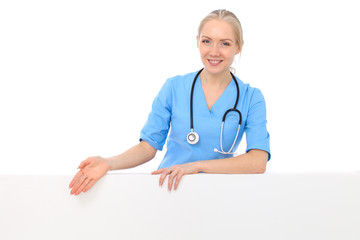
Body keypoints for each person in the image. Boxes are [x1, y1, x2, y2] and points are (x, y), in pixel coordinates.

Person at [69, 9, 271, 195]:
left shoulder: (251, 97)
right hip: (169, 193)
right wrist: (108, 163)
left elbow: (258, 161)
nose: (214, 51)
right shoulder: (174, 88)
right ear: (197, 41)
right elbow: (148, 148)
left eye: (225, 43)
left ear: (238, 47)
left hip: (219, 194)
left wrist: (196, 166)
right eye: (207, 41)